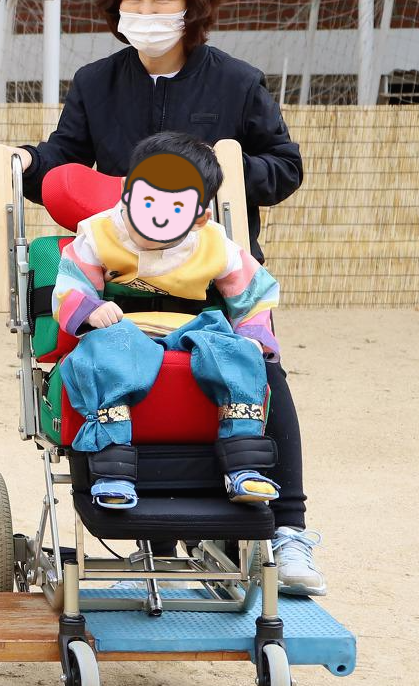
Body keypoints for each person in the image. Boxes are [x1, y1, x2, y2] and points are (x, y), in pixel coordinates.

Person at [10, 0, 325, 594]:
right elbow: (63, 159)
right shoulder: (97, 83)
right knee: (119, 368)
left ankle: (289, 530)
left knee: (262, 370)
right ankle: (143, 517)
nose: (148, 12)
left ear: (193, 8)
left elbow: (285, 166)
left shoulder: (236, 82)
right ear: (116, 8)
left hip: (210, 278)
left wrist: (217, 174)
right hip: (125, 282)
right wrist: (27, 163)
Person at [51, 132, 281, 510]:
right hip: (124, 326)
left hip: (193, 326)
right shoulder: (99, 233)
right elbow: (70, 283)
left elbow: (255, 291)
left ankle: (243, 463)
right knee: (103, 355)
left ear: (199, 217)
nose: (157, 217)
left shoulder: (214, 243)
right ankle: (112, 466)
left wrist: (252, 335)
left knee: (238, 354)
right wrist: (90, 308)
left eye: (175, 208)